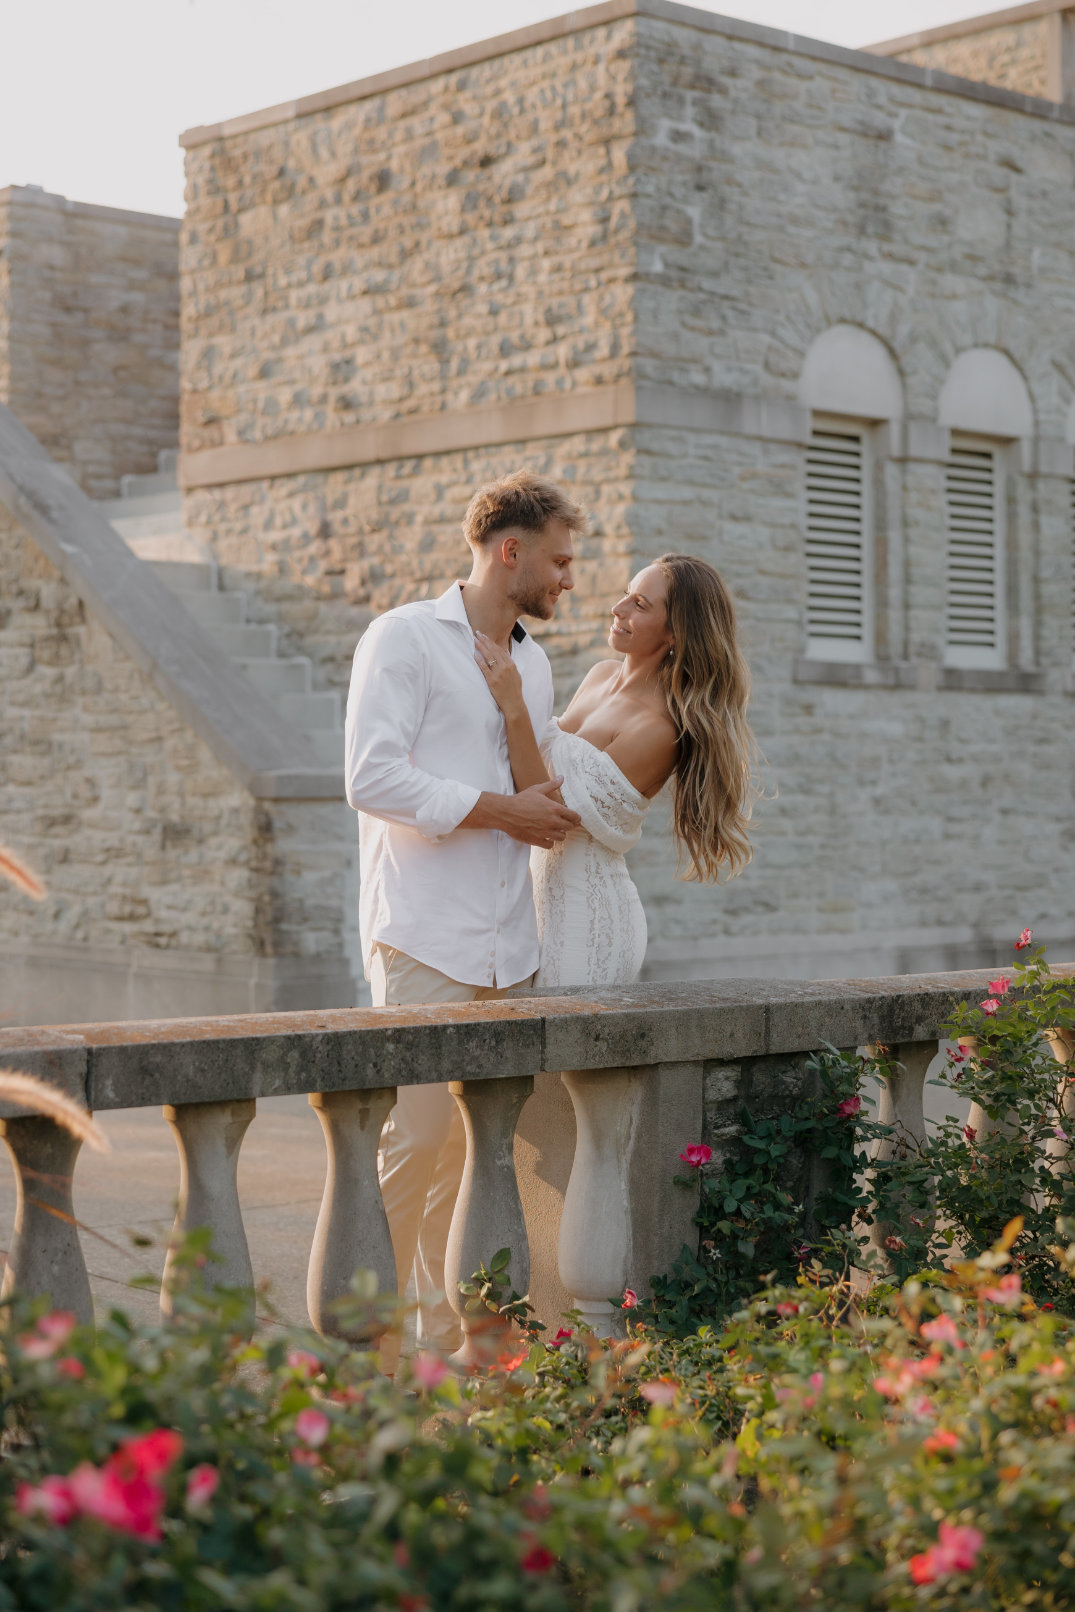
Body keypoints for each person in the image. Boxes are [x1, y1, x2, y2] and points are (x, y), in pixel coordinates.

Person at [344, 469, 585, 1356]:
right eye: (558, 560)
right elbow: (369, 778)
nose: (568, 578)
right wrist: (498, 809)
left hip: (507, 947)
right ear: (509, 551)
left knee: (470, 1167)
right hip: (422, 935)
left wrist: (526, 802)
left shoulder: (532, 658)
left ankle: (442, 1357)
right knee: (410, 1153)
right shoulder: (401, 638)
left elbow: (540, 789)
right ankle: (359, 1367)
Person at [473, 552, 759, 988]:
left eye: (640, 605)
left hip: (588, 923)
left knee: (568, 1056)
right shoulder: (600, 675)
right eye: (626, 594)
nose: (618, 609)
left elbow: (546, 813)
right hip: (531, 907)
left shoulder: (659, 729)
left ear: (676, 632)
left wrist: (513, 705)